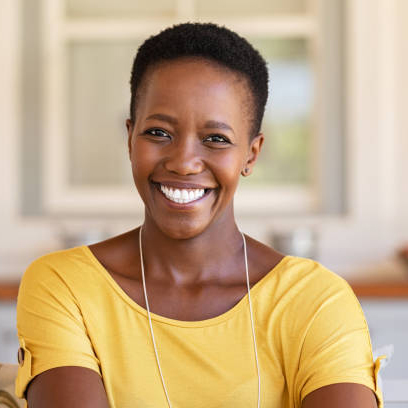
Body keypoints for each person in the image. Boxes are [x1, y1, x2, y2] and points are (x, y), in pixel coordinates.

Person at [15, 23, 384, 408]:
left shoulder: (315, 300)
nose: (184, 163)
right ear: (130, 138)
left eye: (216, 139)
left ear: (251, 154)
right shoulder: (66, 287)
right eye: (158, 133)